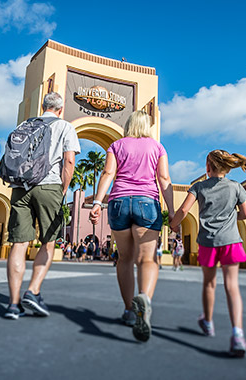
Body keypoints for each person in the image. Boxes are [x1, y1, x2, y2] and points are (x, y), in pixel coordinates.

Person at [170, 149, 246, 358]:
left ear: (208, 167)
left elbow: (184, 211)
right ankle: (238, 334)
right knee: (232, 287)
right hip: (231, 241)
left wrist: (173, 224)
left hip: (208, 242)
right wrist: (231, 217)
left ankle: (208, 322)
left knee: (209, 284)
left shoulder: (198, 187)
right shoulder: (236, 187)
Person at [89, 110, 174, 342]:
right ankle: (144, 299)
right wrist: (173, 211)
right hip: (147, 203)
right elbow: (164, 180)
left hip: (118, 203)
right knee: (147, 259)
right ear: (147, 126)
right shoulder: (157, 147)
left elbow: (108, 173)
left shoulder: (116, 145)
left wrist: (97, 202)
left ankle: (129, 310)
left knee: (125, 258)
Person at [4, 92, 80, 320]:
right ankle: (33, 291)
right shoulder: (65, 126)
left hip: (20, 187)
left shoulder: (25, 124)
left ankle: (13, 304)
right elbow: (69, 161)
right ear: (60, 109)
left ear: (43, 106)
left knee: (18, 244)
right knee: (48, 242)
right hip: (49, 187)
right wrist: (63, 189)